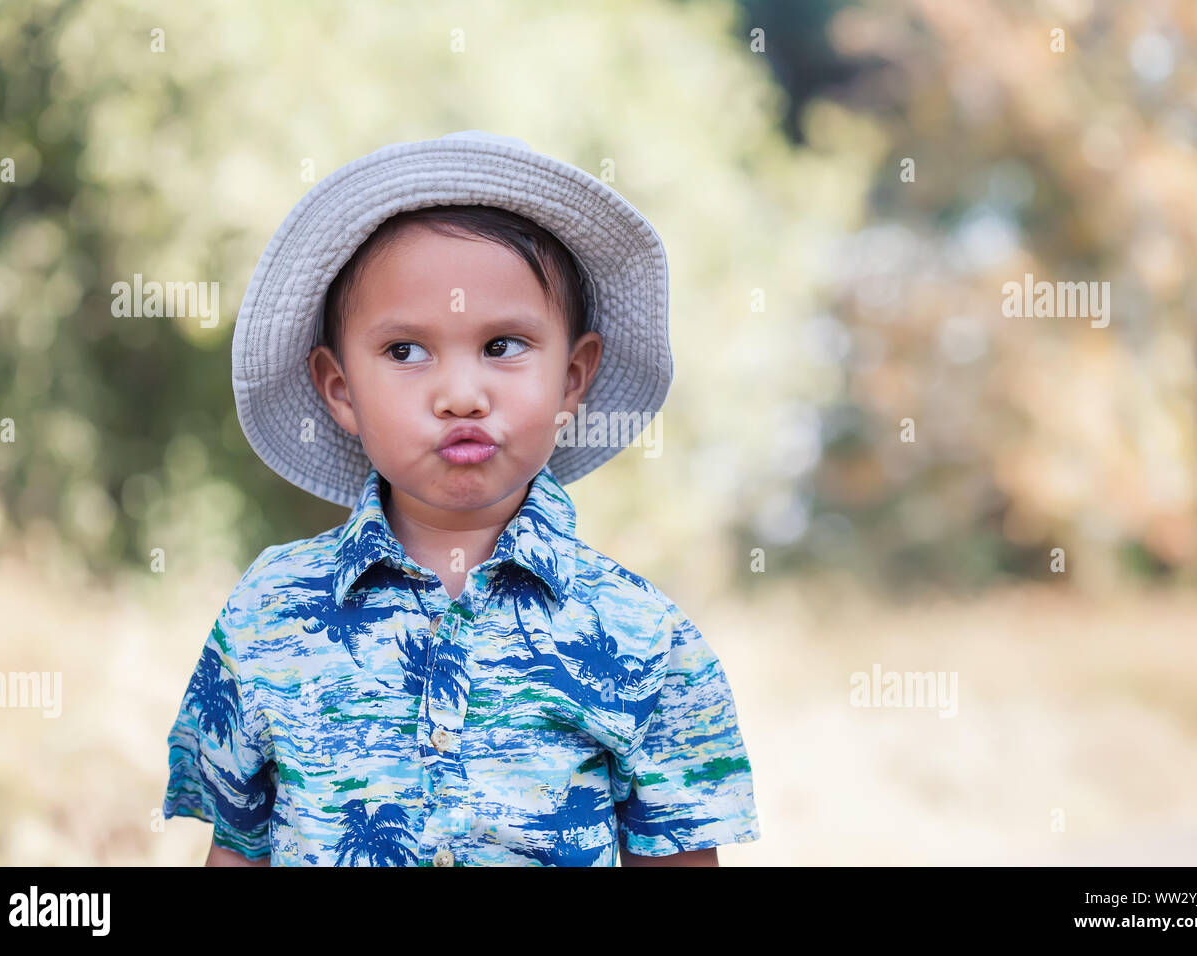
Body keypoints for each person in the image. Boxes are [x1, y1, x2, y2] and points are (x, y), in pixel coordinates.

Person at [161, 130, 761, 866]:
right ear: (340, 389)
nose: (461, 395)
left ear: (574, 378)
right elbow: (238, 847)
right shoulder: (269, 614)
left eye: (504, 345)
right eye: (405, 352)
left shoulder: (644, 641)